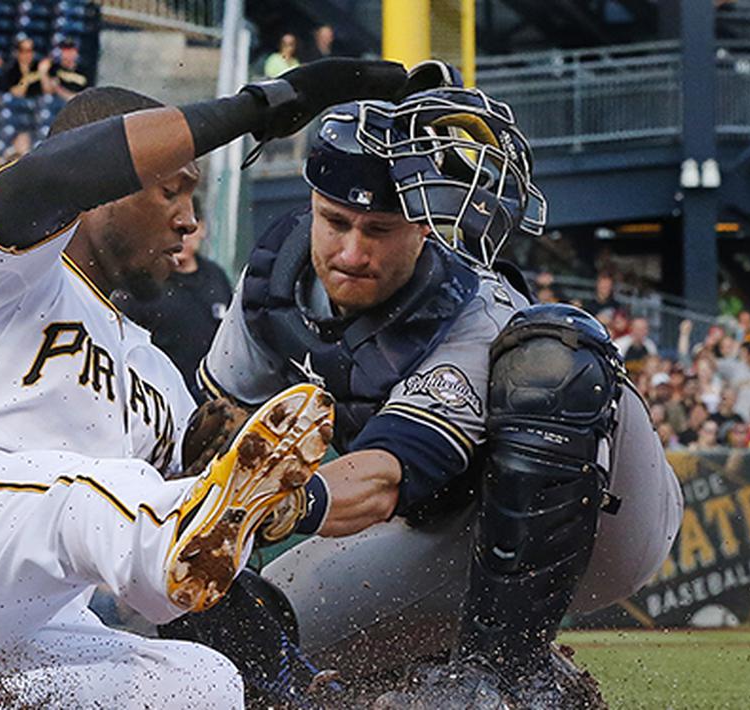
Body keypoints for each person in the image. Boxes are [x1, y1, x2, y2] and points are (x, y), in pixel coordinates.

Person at [0, 59, 407, 709]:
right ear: (103, 189)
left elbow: (188, 572)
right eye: (170, 188)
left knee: (199, 683)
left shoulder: (160, 381)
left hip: (25, 625)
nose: (188, 221)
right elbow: (61, 171)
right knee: (86, 487)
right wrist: (256, 107)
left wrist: (283, 506)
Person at [163, 76, 679, 707]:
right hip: (442, 530)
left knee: (553, 355)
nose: (352, 251)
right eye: (335, 221)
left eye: (379, 229)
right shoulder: (274, 278)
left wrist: (285, 503)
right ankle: (419, 670)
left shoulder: (471, 312)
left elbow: (385, 475)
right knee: (243, 645)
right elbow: (215, 420)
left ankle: (512, 679)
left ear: (426, 228)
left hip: (603, 516)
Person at [117, 196, 233, 400]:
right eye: (175, 229)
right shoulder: (144, 284)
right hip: (163, 404)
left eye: (190, 230)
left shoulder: (215, 276)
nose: (183, 239)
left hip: (213, 402)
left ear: (202, 229)